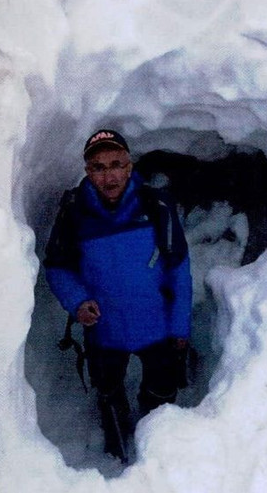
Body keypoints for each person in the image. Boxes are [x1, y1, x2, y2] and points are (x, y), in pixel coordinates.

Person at [43, 129, 193, 462]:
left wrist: (180, 329)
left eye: (116, 164)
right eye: (98, 167)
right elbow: (57, 267)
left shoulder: (156, 206)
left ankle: (159, 455)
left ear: (129, 167)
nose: (108, 175)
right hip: (104, 331)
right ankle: (118, 444)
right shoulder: (74, 212)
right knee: (109, 392)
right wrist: (77, 301)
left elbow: (179, 271)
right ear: (87, 171)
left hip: (156, 327)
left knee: (161, 392)